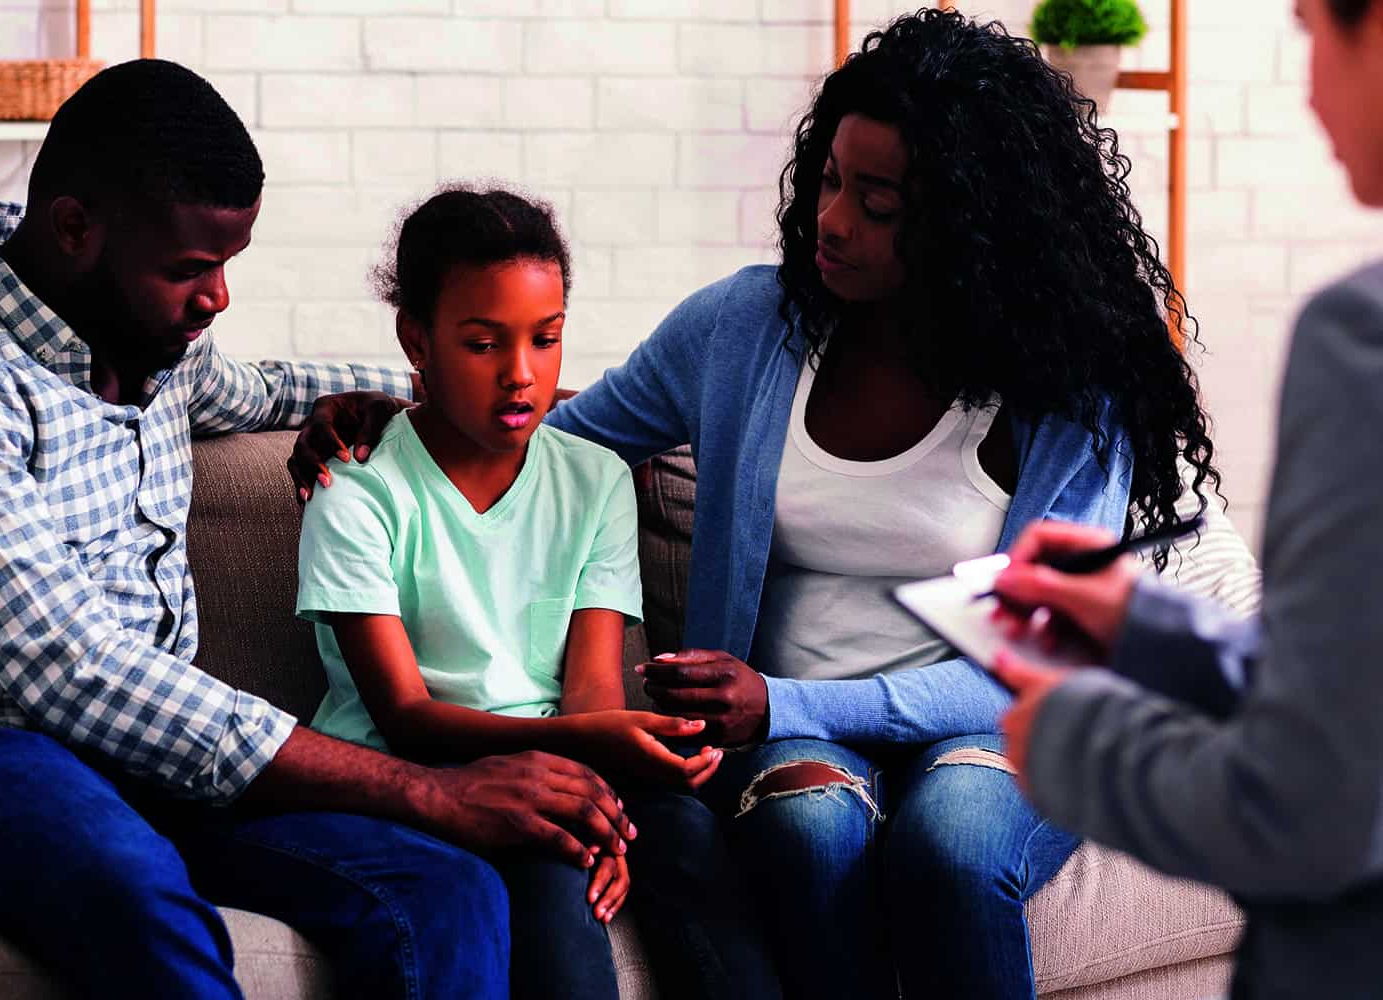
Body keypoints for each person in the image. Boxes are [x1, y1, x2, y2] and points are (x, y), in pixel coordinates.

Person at [291, 9, 1221, 998]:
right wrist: (402, 407)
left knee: (952, 849)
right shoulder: (748, 326)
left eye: (877, 202)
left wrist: (778, 700)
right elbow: (547, 442)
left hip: (995, 720)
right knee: (808, 830)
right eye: (828, 180)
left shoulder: (1071, 388)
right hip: (795, 738)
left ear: (967, 221)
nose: (830, 219)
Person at [0, 60, 640, 1000]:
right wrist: (428, 789)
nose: (218, 300)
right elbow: (72, 667)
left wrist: (416, 394)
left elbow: (265, 384)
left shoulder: (151, 347)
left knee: (444, 891)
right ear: (76, 229)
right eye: (190, 270)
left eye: (227, 265)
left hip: (165, 762)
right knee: (138, 896)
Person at [985, 0, 1383, 996]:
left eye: (1307, 32)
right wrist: (1150, 627)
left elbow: (1308, 805)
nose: (1306, 91)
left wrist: (1081, 741)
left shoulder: (1360, 343)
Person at [295, 187, 779, 1000]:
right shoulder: (356, 488)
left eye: (546, 338)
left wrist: (605, 781)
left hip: (564, 756)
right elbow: (405, 718)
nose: (522, 375)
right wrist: (586, 776)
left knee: (687, 835)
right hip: (419, 774)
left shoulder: (593, 478)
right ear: (417, 339)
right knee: (555, 870)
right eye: (484, 344)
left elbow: (590, 691)